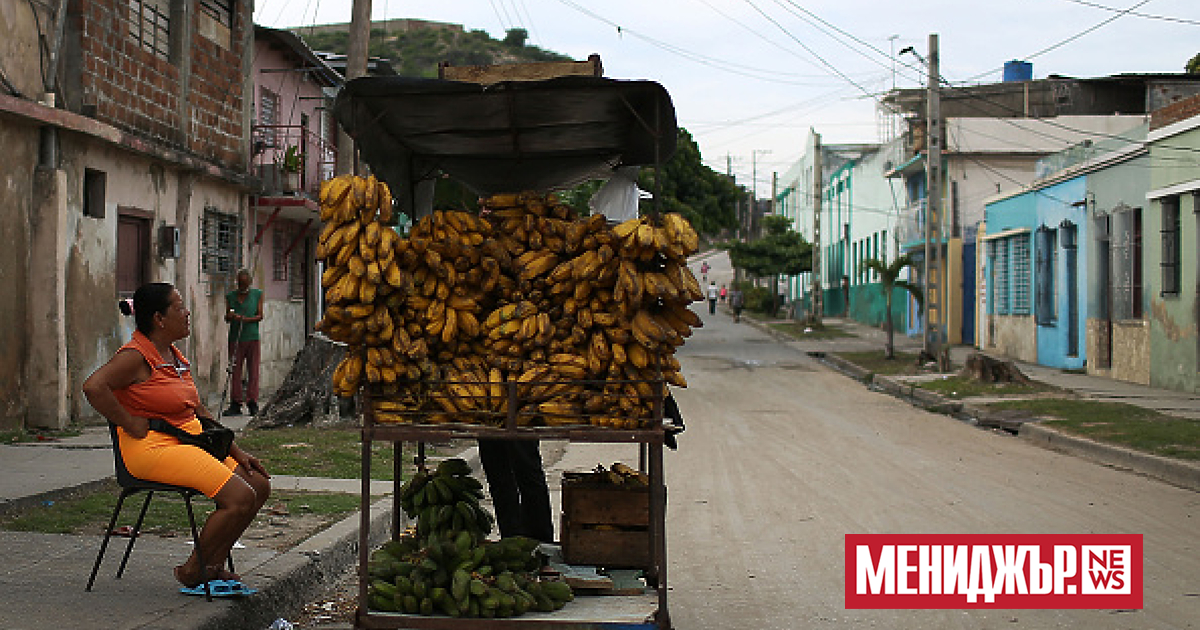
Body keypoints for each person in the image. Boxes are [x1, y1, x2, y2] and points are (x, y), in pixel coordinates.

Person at [82, 282, 271, 589]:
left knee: (258, 484)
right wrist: (129, 423)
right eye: (180, 307)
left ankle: (212, 565)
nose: (187, 314)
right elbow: (93, 387)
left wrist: (238, 452)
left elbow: (201, 413)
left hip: (191, 443)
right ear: (159, 318)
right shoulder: (135, 356)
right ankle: (193, 571)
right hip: (153, 449)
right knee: (239, 497)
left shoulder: (173, 356)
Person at [477, 440, 554, 542]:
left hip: (519, 427)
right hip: (489, 427)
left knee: (528, 477)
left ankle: (541, 540)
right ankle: (511, 539)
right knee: (499, 482)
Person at [225, 269, 263, 416]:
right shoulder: (230, 297)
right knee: (235, 370)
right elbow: (227, 316)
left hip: (252, 337)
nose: (243, 287)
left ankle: (252, 402)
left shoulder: (257, 295)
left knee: (253, 370)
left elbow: (260, 315)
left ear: (250, 283)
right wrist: (230, 316)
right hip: (235, 338)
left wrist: (244, 319)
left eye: (245, 284)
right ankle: (235, 402)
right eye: (240, 284)